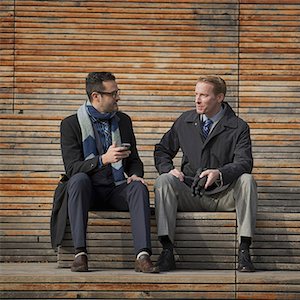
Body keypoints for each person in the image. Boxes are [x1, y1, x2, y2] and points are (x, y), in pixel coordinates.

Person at [153, 75, 257, 272]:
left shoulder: (238, 126)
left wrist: (220, 172)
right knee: (164, 180)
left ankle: (244, 251)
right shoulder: (185, 120)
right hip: (190, 193)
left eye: (203, 95)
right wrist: (169, 169)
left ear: (219, 98)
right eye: (196, 95)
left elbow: (245, 162)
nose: (197, 100)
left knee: (246, 180)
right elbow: (162, 150)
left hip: (223, 195)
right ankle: (167, 251)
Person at [58, 72, 158, 273]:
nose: (118, 97)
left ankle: (143, 256)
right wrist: (103, 159)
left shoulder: (123, 121)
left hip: (116, 188)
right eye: (113, 93)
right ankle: (80, 254)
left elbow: (135, 160)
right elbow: (72, 168)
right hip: (88, 191)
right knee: (77, 180)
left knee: (139, 187)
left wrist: (136, 173)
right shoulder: (70, 124)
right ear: (96, 96)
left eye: (117, 92)